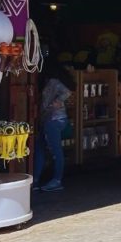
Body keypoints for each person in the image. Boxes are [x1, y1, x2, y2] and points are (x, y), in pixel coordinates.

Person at [35, 63, 75, 192]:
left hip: (53, 119)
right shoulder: (52, 82)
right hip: (53, 119)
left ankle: (56, 180)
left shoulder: (53, 82)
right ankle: (37, 178)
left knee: (54, 151)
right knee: (41, 148)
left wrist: (56, 103)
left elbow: (66, 92)